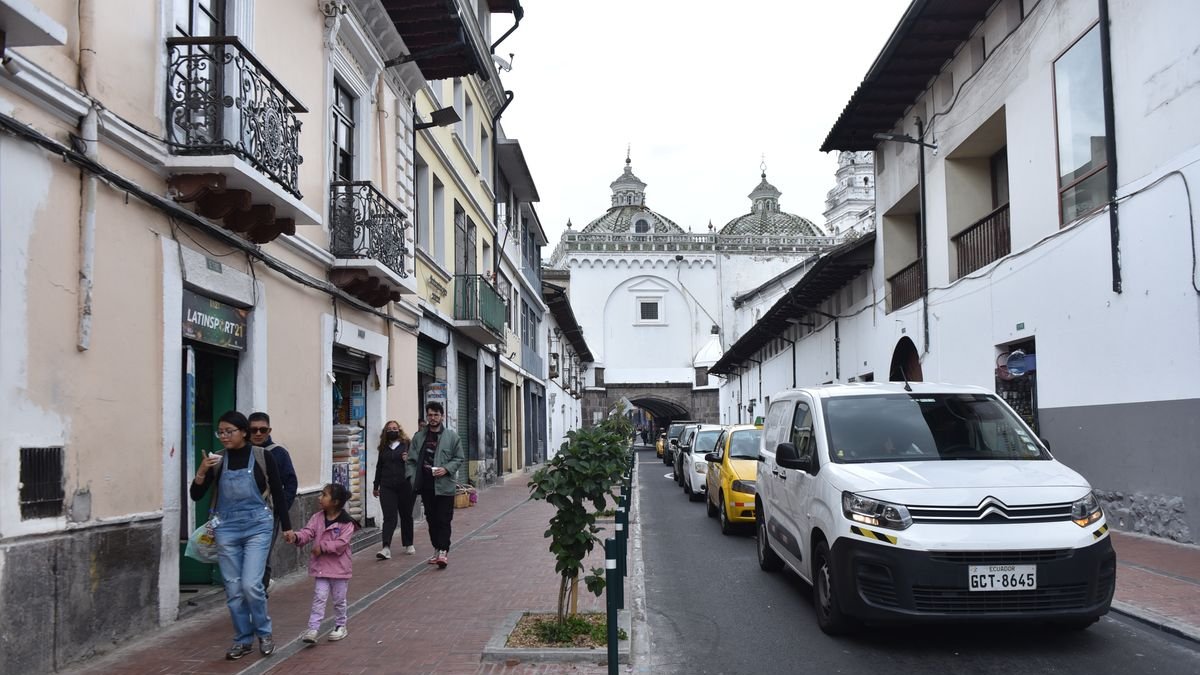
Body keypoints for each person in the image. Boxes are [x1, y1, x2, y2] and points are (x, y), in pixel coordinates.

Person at [190, 410, 293, 661]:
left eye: (229, 431)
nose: (224, 436)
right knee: (234, 590)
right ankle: (242, 639)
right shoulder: (217, 460)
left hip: (258, 525)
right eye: (221, 432)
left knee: (251, 585)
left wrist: (288, 526)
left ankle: (265, 633)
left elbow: (278, 493)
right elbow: (196, 495)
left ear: (243, 433)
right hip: (226, 528)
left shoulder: (263, 456)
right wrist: (202, 471)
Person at [285, 483, 360, 644]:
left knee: (339, 599)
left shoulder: (346, 523)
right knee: (319, 597)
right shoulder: (317, 518)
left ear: (335, 501)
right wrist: (297, 537)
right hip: (321, 568)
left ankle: (341, 625)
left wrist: (323, 547)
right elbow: (308, 532)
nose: (320, 498)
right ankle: (313, 628)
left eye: (324, 495)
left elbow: (341, 543)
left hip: (339, 569)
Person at [406, 401, 464, 568]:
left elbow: (459, 458)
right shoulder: (419, 437)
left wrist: (446, 469)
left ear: (442, 416)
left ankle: (443, 552)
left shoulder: (452, 437)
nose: (432, 418)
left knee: (444, 519)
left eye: (436, 415)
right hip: (426, 486)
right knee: (431, 519)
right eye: (430, 415)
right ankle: (437, 548)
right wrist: (411, 477)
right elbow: (410, 460)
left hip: (445, 486)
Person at [248, 411, 298, 595]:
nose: (258, 433)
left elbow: (291, 483)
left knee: (262, 557)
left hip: (268, 514)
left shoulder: (278, 453)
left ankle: (259, 595)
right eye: (254, 430)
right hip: (242, 515)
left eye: (263, 429)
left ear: (269, 430)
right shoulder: (241, 452)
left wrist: (279, 507)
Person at [373, 420, 415, 559]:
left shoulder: (407, 445)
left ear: (399, 430)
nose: (392, 430)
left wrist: (408, 459)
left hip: (405, 485)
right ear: (385, 432)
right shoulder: (384, 448)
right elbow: (379, 467)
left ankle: (409, 543)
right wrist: (375, 486)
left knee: (406, 515)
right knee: (389, 517)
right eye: (389, 429)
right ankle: (386, 547)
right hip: (387, 486)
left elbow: (415, 461)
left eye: (395, 428)